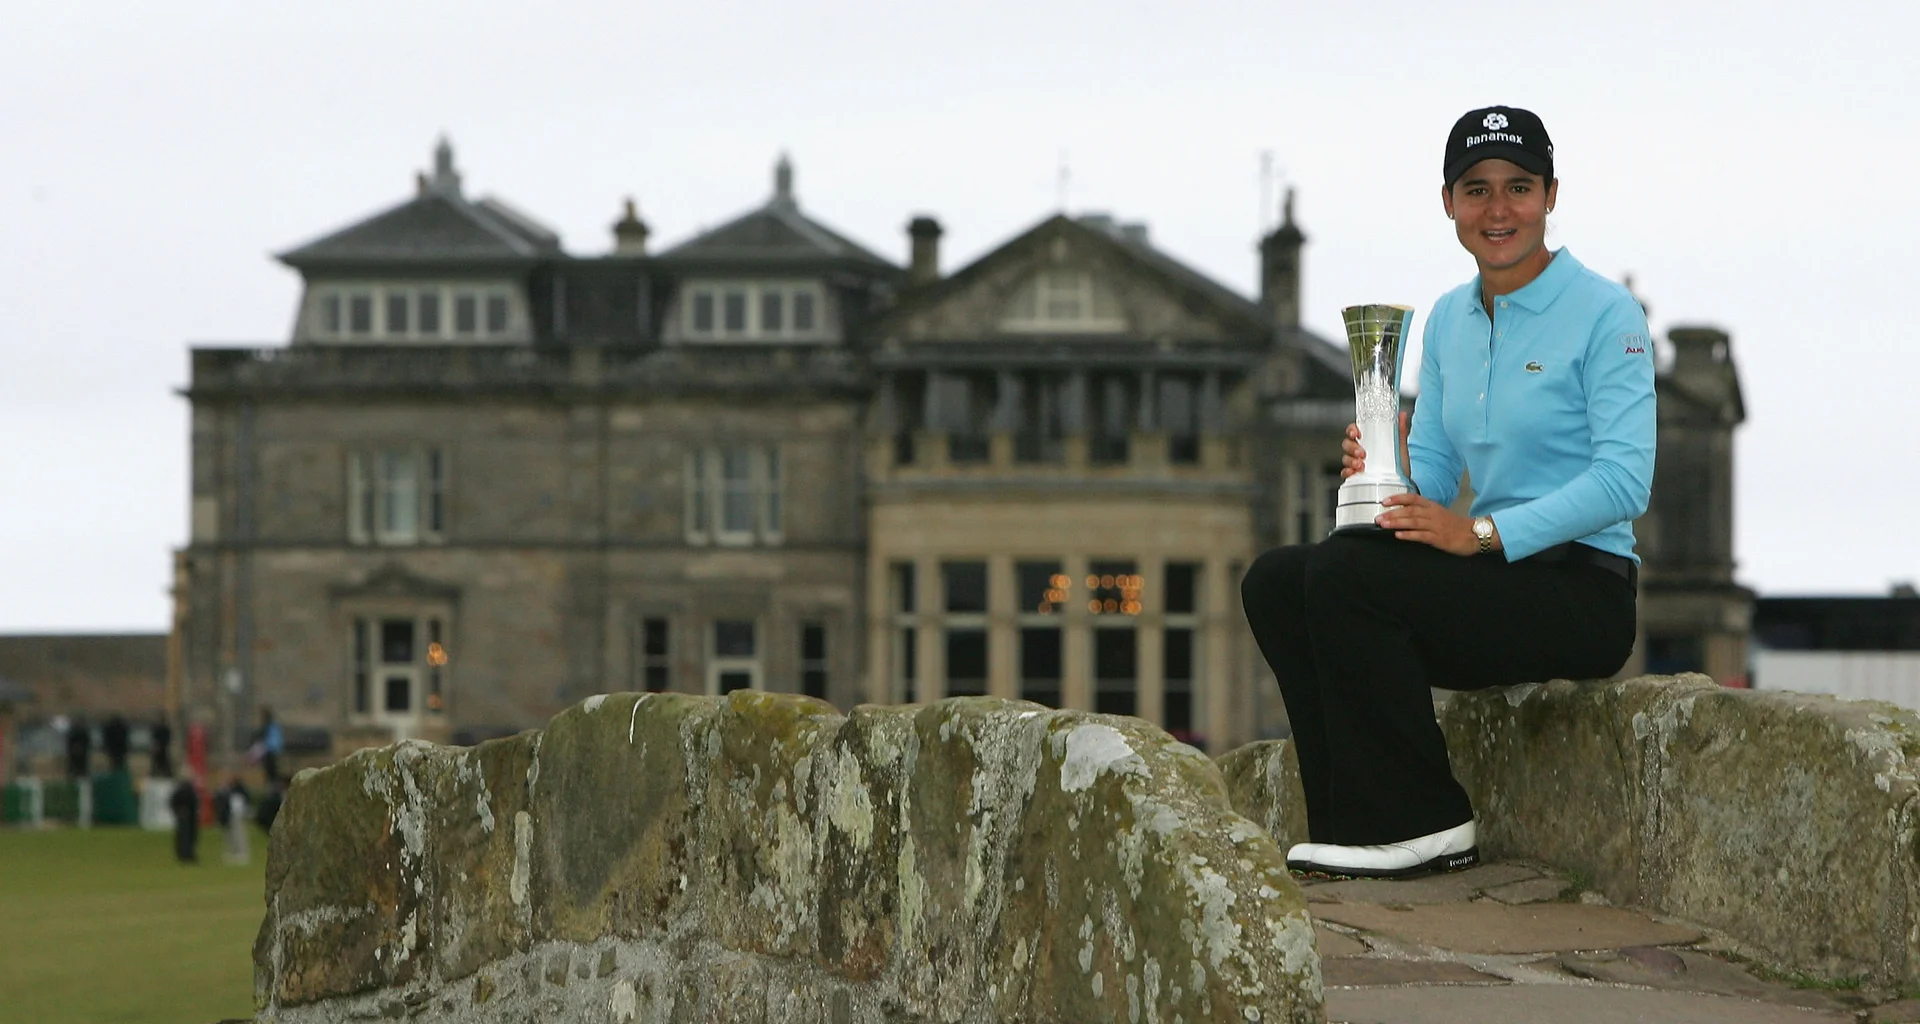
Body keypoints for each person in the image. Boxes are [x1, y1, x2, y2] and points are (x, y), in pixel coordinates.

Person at [1239, 105, 1654, 878]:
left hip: (1581, 592)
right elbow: (1428, 473)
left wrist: (1483, 534)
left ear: (1551, 195)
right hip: (1490, 586)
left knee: (1342, 574)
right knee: (1279, 580)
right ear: (1448, 202)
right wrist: (1378, 468)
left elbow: (1624, 480)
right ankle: (1346, 819)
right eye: (1476, 190)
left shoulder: (1606, 313)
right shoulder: (1449, 321)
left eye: (1518, 187)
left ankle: (1422, 819)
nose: (1498, 209)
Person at [168, 772, 201, 864]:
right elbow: (195, 803)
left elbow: (172, 802)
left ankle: (183, 854)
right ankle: (188, 854)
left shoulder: (179, 790)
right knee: (189, 837)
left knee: (182, 837)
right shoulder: (190, 790)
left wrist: (177, 811)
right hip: (189, 817)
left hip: (183, 817)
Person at [250, 707, 284, 784]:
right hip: (273, 750)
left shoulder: (268, 726)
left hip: (270, 750)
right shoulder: (273, 726)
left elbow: (260, 735)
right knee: (272, 769)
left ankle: (272, 783)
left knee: (270, 769)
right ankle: (272, 782)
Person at [64, 715, 91, 780]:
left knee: (81, 769)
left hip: (81, 754)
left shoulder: (82, 731)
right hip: (75, 754)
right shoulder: (73, 731)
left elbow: (87, 741)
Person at [150, 714, 173, 778]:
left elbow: (167, 739)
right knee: (158, 763)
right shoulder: (158, 729)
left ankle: (166, 775)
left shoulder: (162, 729)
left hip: (163, 748)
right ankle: (155, 775)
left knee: (164, 763)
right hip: (161, 748)